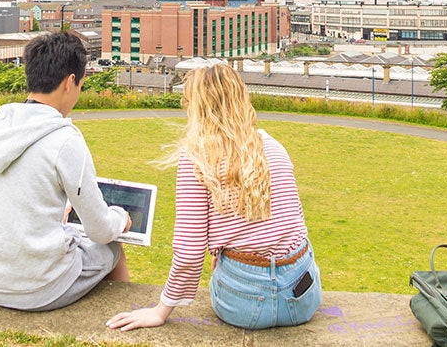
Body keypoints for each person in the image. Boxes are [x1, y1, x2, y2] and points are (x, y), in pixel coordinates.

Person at [107, 64, 320, 331]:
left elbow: (188, 253)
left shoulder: (197, 158)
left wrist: (161, 310)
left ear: (197, 107)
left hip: (244, 303)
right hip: (304, 294)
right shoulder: (274, 146)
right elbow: (293, 223)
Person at [0, 31, 133, 312]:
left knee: (70, 232)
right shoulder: (65, 139)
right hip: (39, 288)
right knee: (112, 250)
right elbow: (101, 230)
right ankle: (123, 318)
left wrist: (55, 208)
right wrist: (120, 218)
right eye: (81, 84)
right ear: (70, 82)